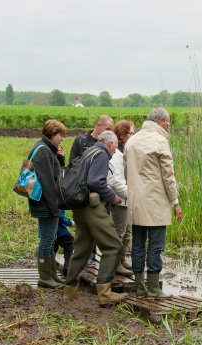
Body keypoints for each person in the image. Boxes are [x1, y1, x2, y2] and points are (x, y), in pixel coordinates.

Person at [63, 131, 127, 307]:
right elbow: (95, 182)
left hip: (79, 207)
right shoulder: (101, 154)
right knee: (113, 246)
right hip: (93, 207)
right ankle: (105, 294)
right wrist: (112, 197)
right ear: (110, 144)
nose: (115, 151)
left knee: (82, 249)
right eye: (115, 147)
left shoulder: (89, 151)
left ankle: (69, 291)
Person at [124, 107, 183, 297]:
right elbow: (168, 176)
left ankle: (140, 287)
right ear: (159, 121)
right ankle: (154, 288)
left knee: (138, 244)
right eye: (167, 123)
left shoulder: (131, 141)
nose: (168, 126)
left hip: (134, 201)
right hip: (155, 201)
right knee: (156, 246)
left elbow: (126, 172)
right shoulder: (160, 141)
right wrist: (175, 202)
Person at [28, 119, 67, 288]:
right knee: (46, 240)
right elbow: (48, 183)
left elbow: (57, 175)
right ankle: (45, 278)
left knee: (50, 240)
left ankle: (52, 275)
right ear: (52, 134)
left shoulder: (48, 150)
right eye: (60, 135)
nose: (62, 139)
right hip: (45, 205)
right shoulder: (43, 152)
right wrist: (55, 208)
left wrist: (61, 159)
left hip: (46, 204)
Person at [107, 120, 135, 274]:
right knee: (119, 232)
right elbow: (115, 180)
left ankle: (122, 260)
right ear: (122, 135)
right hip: (120, 199)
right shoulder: (116, 154)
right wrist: (130, 195)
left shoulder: (127, 151)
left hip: (126, 198)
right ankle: (115, 264)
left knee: (127, 232)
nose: (133, 135)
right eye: (131, 133)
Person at [54, 211, 74, 275]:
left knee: (52, 247)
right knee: (69, 242)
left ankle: (50, 268)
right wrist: (70, 223)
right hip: (59, 230)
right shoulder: (58, 201)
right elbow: (60, 216)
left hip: (46, 230)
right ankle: (68, 268)